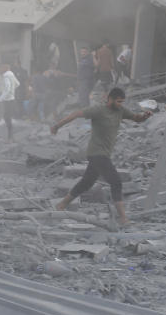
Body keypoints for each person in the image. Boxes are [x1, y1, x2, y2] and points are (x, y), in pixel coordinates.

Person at [51, 87, 152, 225]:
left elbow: (136, 118)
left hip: (103, 154)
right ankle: (123, 218)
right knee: (116, 182)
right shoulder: (98, 110)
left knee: (86, 182)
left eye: (121, 102)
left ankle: (61, 205)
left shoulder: (121, 111)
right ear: (109, 99)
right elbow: (75, 114)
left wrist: (144, 117)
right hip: (97, 153)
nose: (119, 104)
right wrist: (57, 126)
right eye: (117, 101)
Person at [0, 64, 20, 140]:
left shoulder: (6, 76)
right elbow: (18, 84)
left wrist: (1, 98)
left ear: (5, 69)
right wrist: (12, 91)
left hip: (7, 100)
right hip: (12, 99)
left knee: (7, 117)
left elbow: (7, 88)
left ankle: (10, 137)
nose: (0, 69)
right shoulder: (12, 75)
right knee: (8, 117)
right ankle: (10, 136)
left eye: (1, 68)